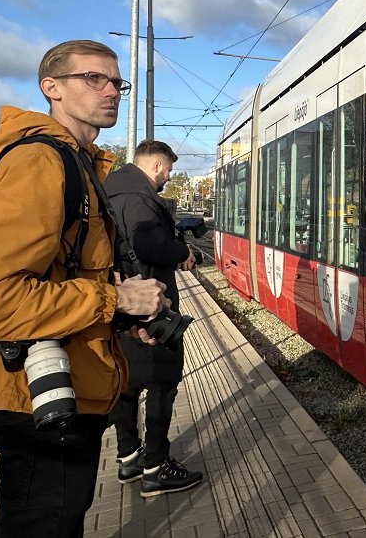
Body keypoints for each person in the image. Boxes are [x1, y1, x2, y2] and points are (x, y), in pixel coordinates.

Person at [0, 39, 169, 537]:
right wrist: (116, 299)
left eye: (117, 81)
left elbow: (60, 278)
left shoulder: (80, 163)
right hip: (41, 403)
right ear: (51, 88)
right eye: (93, 79)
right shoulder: (39, 162)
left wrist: (119, 319)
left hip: (74, 388)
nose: (112, 90)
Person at [105, 139, 204, 496]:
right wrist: (181, 250)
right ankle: (155, 467)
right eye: (170, 170)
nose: (169, 177)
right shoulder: (140, 198)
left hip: (124, 308)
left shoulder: (115, 190)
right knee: (163, 381)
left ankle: (129, 457)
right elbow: (150, 245)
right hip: (149, 307)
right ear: (158, 166)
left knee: (128, 384)